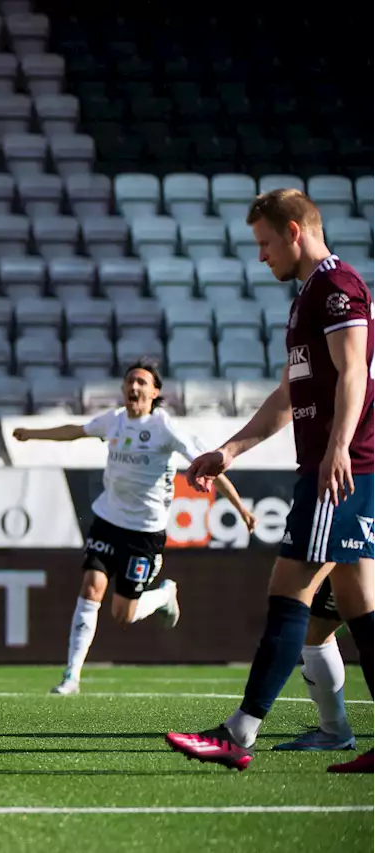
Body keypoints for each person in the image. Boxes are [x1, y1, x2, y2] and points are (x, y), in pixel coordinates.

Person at [167, 189, 375, 773]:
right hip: (342, 467)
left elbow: (354, 371)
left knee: (289, 593)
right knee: (361, 607)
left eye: (264, 243)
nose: (261, 257)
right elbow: (291, 393)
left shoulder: (337, 287)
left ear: (292, 230)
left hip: (343, 469)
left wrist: (336, 450)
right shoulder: (309, 296)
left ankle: (239, 732)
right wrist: (229, 450)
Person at [14, 359, 256, 695]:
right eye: (130, 381)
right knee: (90, 587)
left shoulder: (165, 428)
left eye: (142, 382)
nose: (135, 387)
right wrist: (32, 434)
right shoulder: (113, 421)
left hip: (145, 533)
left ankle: (163, 595)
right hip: (108, 521)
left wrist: (241, 508)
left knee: (123, 614)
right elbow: (74, 431)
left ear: (155, 392)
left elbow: (210, 466)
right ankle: (71, 677)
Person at [272, 577, 355, 752]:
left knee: (316, 631)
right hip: (357, 555)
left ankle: (334, 730)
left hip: (350, 554)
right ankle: (333, 729)